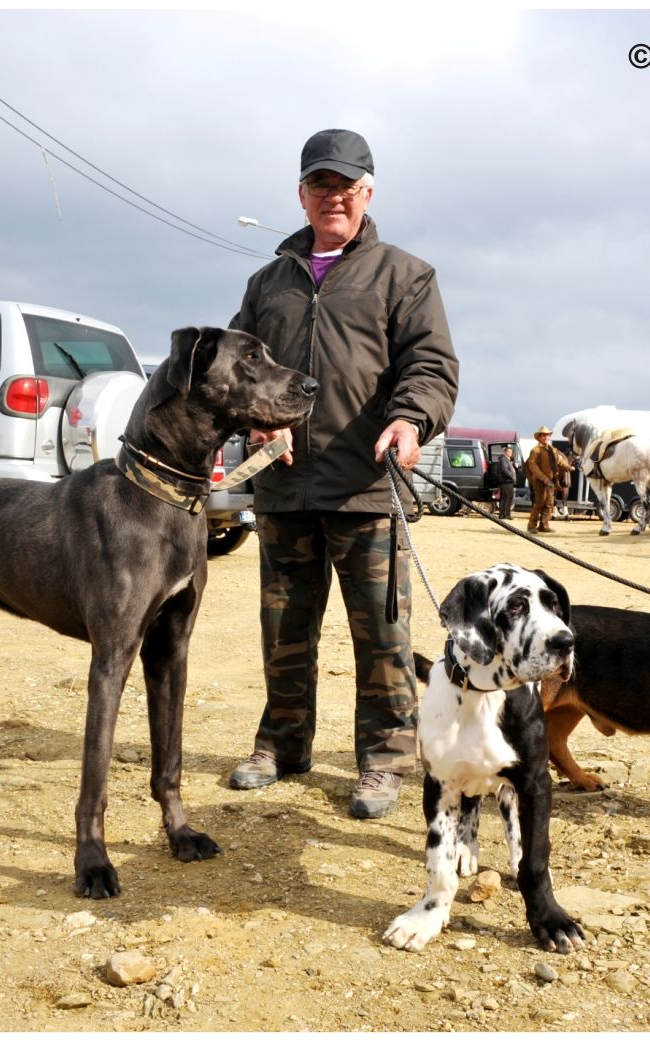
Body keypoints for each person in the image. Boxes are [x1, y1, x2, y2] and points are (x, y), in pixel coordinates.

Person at [227, 129, 459, 818]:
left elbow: (431, 365)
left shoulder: (404, 275)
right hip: (283, 486)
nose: (334, 197)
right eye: (320, 186)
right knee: (284, 628)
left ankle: (386, 757)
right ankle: (282, 743)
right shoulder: (266, 283)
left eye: (346, 186)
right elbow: (235, 369)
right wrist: (256, 419)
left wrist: (410, 420)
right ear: (301, 195)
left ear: (367, 192)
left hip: (365, 486)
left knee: (381, 636)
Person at [526, 426, 570, 533]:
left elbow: (559, 461)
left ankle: (544, 525)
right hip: (540, 481)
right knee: (539, 503)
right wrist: (544, 478)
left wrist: (569, 467)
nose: (546, 437)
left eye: (548, 435)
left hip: (551, 481)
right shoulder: (535, 450)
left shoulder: (553, 450)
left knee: (549, 504)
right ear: (539, 437)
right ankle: (531, 526)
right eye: (544, 435)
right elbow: (533, 466)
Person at [494, 445, 517, 519]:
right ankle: (506, 514)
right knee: (508, 498)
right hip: (507, 481)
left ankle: (502, 514)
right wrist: (512, 477)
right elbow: (505, 470)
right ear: (505, 452)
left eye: (511, 451)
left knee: (504, 498)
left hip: (507, 481)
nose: (510, 453)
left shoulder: (508, 460)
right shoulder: (504, 460)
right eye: (508, 451)